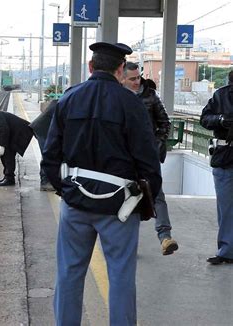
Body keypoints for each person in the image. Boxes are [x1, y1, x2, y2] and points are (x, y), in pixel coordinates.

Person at [41, 42, 162, 325]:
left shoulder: (69, 99)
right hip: (119, 205)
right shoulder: (131, 104)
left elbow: (50, 157)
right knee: (120, 275)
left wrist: (66, 191)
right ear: (121, 70)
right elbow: (148, 161)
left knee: (69, 273)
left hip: (76, 201)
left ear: (90, 67)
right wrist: (145, 199)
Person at [122, 61, 179, 255]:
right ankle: (129, 244)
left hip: (147, 156)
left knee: (157, 194)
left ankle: (165, 237)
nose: (137, 82)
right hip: (123, 157)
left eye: (138, 77)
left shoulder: (150, 96)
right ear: (122, 78)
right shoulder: (116, 97)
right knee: (128, 197)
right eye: (132, 79)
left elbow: (164, 123)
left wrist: (157, 144)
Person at [200, 70, 233, 265]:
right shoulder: (220, 96)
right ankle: (227, 251)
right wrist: (220, 119)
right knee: (226, 208)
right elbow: (205, 119)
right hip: (225, 157)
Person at [30, 99, 57, 191]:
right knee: (48, 155)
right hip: (43, 129)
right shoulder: (68, 105)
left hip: (44, 128)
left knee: (49, 154)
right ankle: (45, 182)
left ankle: (50, 180)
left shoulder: (65, 101)